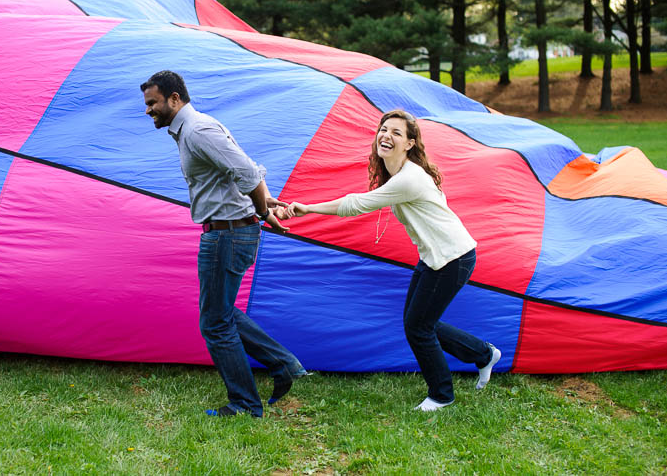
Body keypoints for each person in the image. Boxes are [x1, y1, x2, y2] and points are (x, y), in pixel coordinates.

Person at [284, 109, 500, 412]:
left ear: (409, 143)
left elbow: (356, 204)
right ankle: (483, 354)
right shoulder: (401, 174)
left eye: (396, 133)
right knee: (419, 323)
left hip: (453, 258)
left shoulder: (409, 178)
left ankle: (441, 394)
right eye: (383, 130)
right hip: (436, 258)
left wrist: (307, 209)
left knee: (418, 327)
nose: (386, 136)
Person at [141, 70, 308, 417]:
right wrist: (262, 206)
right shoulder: (191, 130)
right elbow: (238, 175)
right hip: (229, 230)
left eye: (152, 103)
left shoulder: (198, 131)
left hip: (227, 234)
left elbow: (247, 172)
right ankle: (284, 364)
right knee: (221, 311)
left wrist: (262, 210)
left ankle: (246, 404)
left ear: (174, 98)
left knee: (214, 323)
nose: (148, 110)